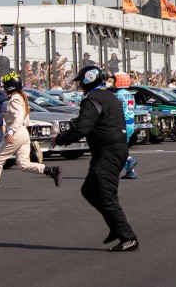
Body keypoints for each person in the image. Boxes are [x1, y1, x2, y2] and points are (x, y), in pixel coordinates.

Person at [52, 65, 139, 252]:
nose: (80, 88)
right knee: (89, 190)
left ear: (87, 82)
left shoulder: (92, 100)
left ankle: (128, 237)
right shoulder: (110, 96)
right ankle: (116, 227)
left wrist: (59, 140)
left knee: (107, 196)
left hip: (109, 152)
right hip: (112, 150)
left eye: (81, 84)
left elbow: (82, 128)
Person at [0, 73, 62, 201]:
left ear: (10, 86)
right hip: (23, 132)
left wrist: (10, 132)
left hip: (16, 132)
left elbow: (18, 117)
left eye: (6, 85)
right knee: (24, 164)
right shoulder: (21, 97)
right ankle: (50, 170)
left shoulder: (15, 99)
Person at [108, 72, 138, 180]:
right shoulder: (129, 94)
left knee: (114, 148)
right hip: (130, 123)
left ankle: (129, 160)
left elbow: (114, 109)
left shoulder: (118, 95)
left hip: (122, 124)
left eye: (114, 81)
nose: (113, 84)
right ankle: (131, 171)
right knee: (123, 148)